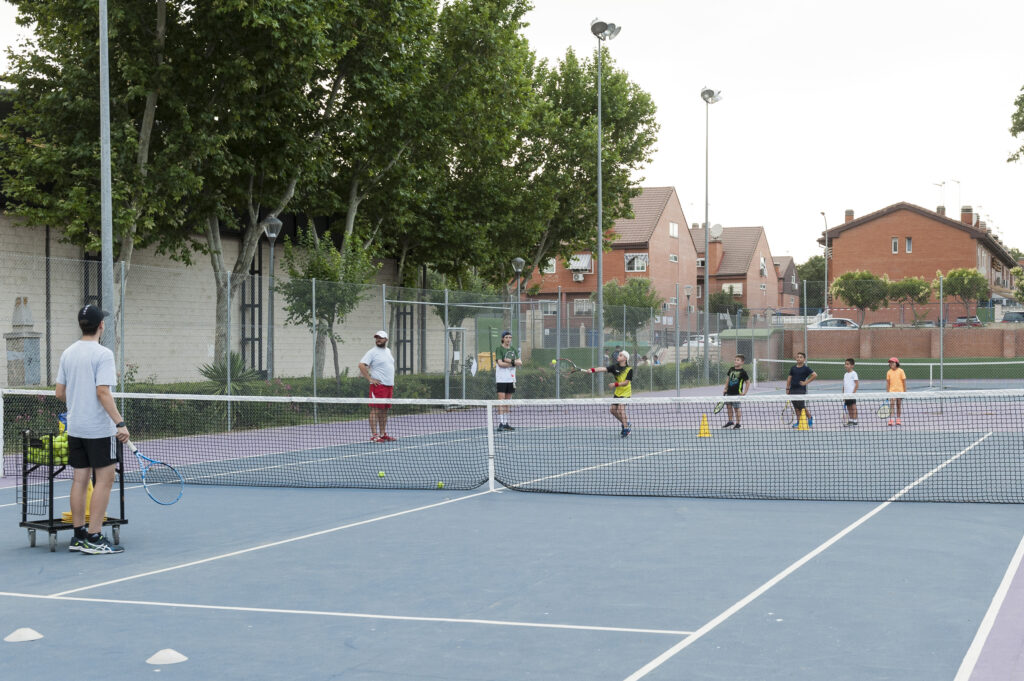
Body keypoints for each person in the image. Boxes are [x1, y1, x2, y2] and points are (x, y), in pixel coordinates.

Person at [55, 305, 129, 555]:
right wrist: (120, 423)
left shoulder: (68, 353)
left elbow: (59, 393)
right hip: (100, 430)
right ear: (101, 326)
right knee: (105, 481)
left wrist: (79, 404)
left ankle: (78, 536)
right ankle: (94, 537)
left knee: (79, 480)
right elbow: (103, 392)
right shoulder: (104, 354)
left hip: (75, 428)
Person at [358, 330, 396, 442]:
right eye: (377, 338)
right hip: (378, 386)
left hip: (389, 386)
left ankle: (383, 434)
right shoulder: (372, 352)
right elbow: (361, 365)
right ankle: (375, 435)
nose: (378, 339)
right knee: (375, 410)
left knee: (384, 411)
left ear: (386, 340)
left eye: (381, 338)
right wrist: (370, 378)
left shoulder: (388, 351)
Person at [589, 350, 633, 437]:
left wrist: (615, 384)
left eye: (620, 355)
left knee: (621, 409)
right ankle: (626, 423)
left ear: (625, 358)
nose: (618, 356)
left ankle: (626, 429)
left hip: (626, 392)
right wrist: (592, 370)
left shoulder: (629, 369)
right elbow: (603, 369)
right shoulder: (614, 367)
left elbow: (626, 382)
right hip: (618, 392)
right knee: (612, 410)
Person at [494, 330, 522, 431]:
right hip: (501, 379)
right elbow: (500, 364)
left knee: (508, 401)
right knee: (501, 401)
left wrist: (510, 361)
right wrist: (513, 363)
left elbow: (520, 362)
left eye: (510, 337)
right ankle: (501, 423)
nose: (508, 339)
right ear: (502, 339)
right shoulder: (499, 349)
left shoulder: (513, 349)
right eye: (506, 337)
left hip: (511, 378)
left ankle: (506, 423)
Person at [786, 351, 817, 428]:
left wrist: (806, 382)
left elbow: (815, 375)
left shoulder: (806, 368)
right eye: (798, 357)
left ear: (804, 359)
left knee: (801, 406)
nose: (799, 358)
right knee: (796, 407)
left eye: (801, 357)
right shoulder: (793, 368)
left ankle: (810, 417)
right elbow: (789, 378)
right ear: (796, 358)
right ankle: (799, 422)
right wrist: (787, 388)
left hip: (801, 390)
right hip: (792, 389)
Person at [721, 354, 750, 429]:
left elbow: (748, 382)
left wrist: (745, 392)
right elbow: (728, 379)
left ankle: (738, 423)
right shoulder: (731, 369)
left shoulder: (743, 372)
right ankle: (730, 421)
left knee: (736, 408)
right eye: (735, 360)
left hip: (737, 394)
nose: (735, 361)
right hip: (729, 392)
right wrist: (725, 388)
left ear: (742, 362)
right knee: (729, 407)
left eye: (738, 360)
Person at [886, 356, 907, 426]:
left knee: (898, 406)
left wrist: (905, 392)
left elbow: (904, 382)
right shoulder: (889, 372)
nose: (891, 364)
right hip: (892, 392)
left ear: (897, 363)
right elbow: (888, 383)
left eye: (893, 362)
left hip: (900, 391)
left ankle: (898, 420)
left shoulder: (901, 371)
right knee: (892, 406)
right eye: (890, 363)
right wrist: (887, 393)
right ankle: (891, 420)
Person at [843, 358, 859, 426]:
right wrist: (843, 395)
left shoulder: (854, 374)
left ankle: (855, 421)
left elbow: (857, 384)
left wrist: (853, 393)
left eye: (847, 364)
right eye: (845, 364)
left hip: (852, 394)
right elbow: (844, 385)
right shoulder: (845, 374)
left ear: (852, 365)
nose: (846, 365)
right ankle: (851, 420)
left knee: (853, 407)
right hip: (846, 395)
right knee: (849, 408)